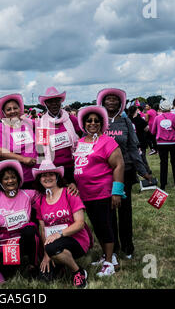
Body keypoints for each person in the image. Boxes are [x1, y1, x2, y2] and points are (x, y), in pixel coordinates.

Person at [97, 89, 152, 259]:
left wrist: (143, 171)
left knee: (125, 211)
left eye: (115, 100)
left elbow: (133, 148)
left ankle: (128, 247)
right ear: (103, 102)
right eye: (108, 100)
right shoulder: (97, 121)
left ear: (120, 103)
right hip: (104, 174)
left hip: (125, 171)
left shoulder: (126, 122)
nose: (111, 102)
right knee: (109, 213)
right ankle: (112, 249)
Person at [73, 105, 125, 277]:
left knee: (105, 226)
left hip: (103, 193)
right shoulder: (81, 142)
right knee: (97, 226)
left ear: (102, 123)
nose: (93, 123)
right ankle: (106, 256)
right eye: (89, 120)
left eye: (96, 120)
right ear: (84, 123)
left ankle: (110, 262)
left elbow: (119, 165)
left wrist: (116, 192)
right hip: (86, 194)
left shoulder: (107, 141)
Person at [33, 160, 92, 288]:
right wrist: (46, 255)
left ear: (57, 176)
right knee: (44, 278)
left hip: (76, 239)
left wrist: (59, 234)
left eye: (51, 174)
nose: (47, 178)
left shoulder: (69, 193)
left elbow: (80, 223)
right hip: (54, 242)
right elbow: (43, 230)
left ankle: (78, 272)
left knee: (53, 247)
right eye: (44, 175)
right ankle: (60, 263)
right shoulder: (40, 201)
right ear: (39, 179)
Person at [0, 160, 41, 278]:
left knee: (30, 229)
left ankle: (33, 265)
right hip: (5, 242)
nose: (10, 181)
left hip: (25, 239)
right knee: (7, 274)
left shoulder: (29, 194)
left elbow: (49, 198)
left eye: (13, 177)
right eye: (6, 178)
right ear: (0, 182)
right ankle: (13, 261)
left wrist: (68, 187)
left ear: (19, 179)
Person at [0, 93, 38, 189]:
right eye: (8, 109)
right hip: (14, 179)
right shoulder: (0, 128)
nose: (12, 111)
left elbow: (45, 127)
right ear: (3, 112)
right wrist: (23, 159)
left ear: (20, 109)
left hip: (35, 175)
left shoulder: (28, 123)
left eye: (15, 108)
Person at [37, 87, 81, 185]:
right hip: (53, 169)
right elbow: (41, 147)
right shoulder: (42, 123)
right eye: (50, 101)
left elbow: (82, 138)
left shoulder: (71, 119)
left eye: (57, 100)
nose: (54, 104)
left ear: (61, 102)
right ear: (45, 104)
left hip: (72, 167)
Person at [150, 100, 175, 190]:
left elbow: (153, 131)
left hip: (162, 143)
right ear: (170, 108)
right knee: (174, 162)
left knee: (163, 163)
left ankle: (163, 184)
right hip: (174, 142)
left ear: (161, 108)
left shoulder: (157, 118)